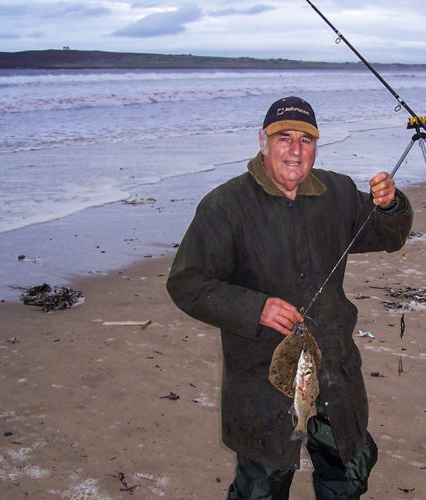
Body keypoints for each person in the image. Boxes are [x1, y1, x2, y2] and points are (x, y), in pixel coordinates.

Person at [166, 95, 413, 499]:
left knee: (346, 476)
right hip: (262, 380)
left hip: (335, 371)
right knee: (260, 487)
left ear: (316, 146)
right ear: (263, 141)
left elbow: (386, 236)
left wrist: (389, 207)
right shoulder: (225, 206)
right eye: (284, 138)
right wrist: (255, 308)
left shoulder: (338, 192)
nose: (295, 150)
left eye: (306, 139)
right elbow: (186, 282)